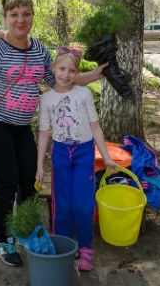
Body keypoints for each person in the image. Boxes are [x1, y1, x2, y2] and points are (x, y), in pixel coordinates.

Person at [0, 0, 106, 267]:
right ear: (5, 18)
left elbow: (58, 80)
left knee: (30, 182)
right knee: (8, 180)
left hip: (21, 126)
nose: (20, 20)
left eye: (26, 14)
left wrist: (91, 76)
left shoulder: (39, 50)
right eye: (14, 14)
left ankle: (22, 230)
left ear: (33, 16)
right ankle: (3, 241)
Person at [35, 47, 121, 272]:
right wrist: (39, 167)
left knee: (82, 203)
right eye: (61, 68)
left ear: (77, 73)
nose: (65, 74)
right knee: (61, 204)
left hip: (84, 152)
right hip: (60, 153)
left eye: (72, 70)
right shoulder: (46, 99)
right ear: (53, 69)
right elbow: (44, 132)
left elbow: (95, 127)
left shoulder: (83, 94)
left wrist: (107, 157)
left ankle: (85, 248)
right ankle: (64, 247)